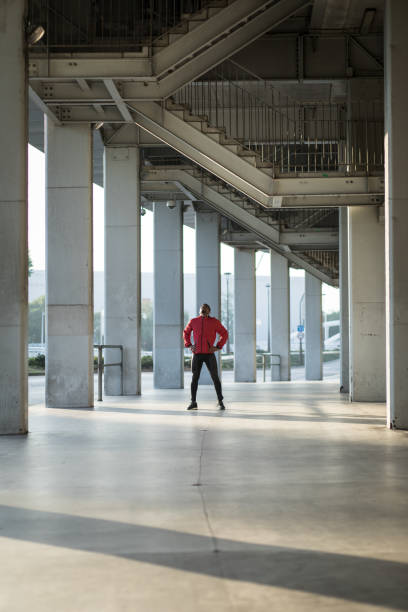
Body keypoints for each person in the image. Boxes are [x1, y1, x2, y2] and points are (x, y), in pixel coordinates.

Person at [183, 303, 228, 411]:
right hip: (197, 354)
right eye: (202, 309)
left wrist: (217, 346)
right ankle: (193, 402)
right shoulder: (193, 321)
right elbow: (186, 333)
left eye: (206, 309)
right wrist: (189, 345)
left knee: (215, 378)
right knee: (195, 378)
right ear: (199, 311)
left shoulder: (214, 322)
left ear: (209, 311)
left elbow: (224, 333)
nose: (203, 310)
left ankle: (220, 401)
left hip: (209, 354)